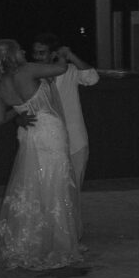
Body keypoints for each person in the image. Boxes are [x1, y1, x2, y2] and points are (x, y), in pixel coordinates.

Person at [0, 38, 82, 271]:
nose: (23, 51)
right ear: (13, 54)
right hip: (50, 131)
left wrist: (19, 112)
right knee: (55, 184)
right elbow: (61, 69)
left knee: (32, 184)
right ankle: (56, 242)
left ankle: (32, 240)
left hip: (30, 134)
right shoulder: (28, 70)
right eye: (19, 49)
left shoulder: (0, 85)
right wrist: (62, 54)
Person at [32, 33, 99, 190]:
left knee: (74, 187)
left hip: (74, 137)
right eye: (35, 52)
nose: (37, 56)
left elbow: (92, 78)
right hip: (45, 139)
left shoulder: (69, 71)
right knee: (48, 188)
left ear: (53, 54)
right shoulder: (31, 74)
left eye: (42, 52)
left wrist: (70, 55)